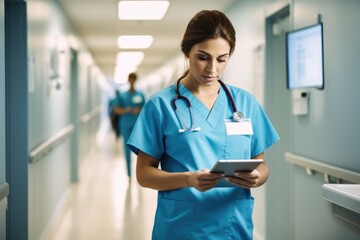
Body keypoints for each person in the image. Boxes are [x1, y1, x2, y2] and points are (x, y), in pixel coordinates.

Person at [127, 10, 279, 240]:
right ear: (187, 52)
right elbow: (144, 174)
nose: (212, 69)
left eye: (222, 59)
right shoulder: (160, 105)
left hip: (233, 227)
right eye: (203, 57)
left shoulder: (245, 103)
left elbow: (263, 165)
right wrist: (188, 179)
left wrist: (257, 177)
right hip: (181, 227)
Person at [114, 73, 145, 182]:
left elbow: (145, 109)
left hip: (137, 125)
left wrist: (139, 110)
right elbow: (116, 110)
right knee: (127, 150)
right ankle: (129, 175)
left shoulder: (140, 94)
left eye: (134, 79)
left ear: (135, 80)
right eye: (130, 79)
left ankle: (140, 174)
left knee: (140, 151)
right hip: (125, 124)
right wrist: (127, 110)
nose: (132, 81)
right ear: (128, 80)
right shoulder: (122, 96)